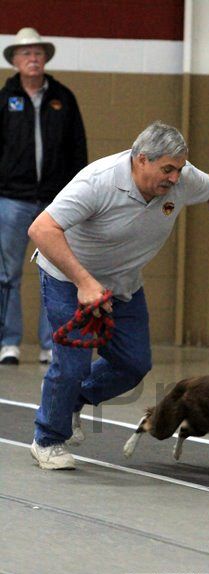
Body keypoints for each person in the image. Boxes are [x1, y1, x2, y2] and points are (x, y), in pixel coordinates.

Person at [27, 120, 209, 470]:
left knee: (134, 363)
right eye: (167, 169)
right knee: (72, 364)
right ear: (141, 160)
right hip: (68, 277)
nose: (174, 178)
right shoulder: (98, 181)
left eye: (179, 169)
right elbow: (42, 229)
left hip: (123, 284)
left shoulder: (180, 180)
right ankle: (47, 438)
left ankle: (71, 401)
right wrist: (84, 282)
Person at [0, 27, 87, 365]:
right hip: (11, 198)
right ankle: (8, 342)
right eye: (26, 54)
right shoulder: (5, 99)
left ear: (45, 58)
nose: (33, 58)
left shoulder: (63, 98)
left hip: (55, 201)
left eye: (38, 53)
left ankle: (52, 343)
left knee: (54, 272)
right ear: (16, 62)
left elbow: (77, 150)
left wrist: (78, 196)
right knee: (7, 274)